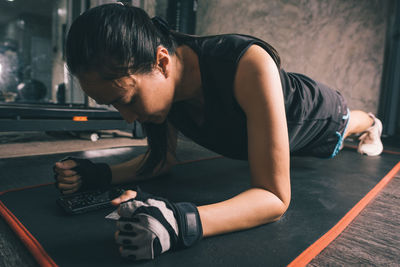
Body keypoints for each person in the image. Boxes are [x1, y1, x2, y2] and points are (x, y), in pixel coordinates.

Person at [53, 3, 384, 261]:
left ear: (162, 63)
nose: (127, 118)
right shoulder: (160, 90)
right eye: (114, 106)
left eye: (126, 100)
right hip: (267, 124)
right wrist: (98, 174)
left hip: (315, 113)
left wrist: (180, 221)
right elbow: (160, 161)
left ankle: (371, 122)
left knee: (342, 130)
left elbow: (274, 198)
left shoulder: (246, 62)